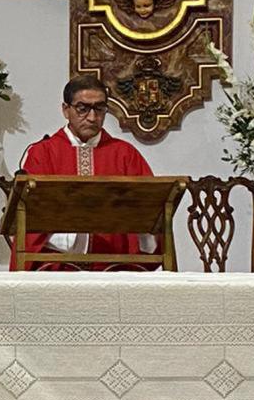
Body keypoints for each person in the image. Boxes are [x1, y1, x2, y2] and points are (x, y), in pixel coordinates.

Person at [14, 76, 154, 269]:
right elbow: (28, 218)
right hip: (55, 267)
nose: (92, 117)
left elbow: (151, 210)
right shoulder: (43, 153)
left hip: (113, 268)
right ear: (66, 109)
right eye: (82, 108)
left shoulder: (124, 154)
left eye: (99, 108)